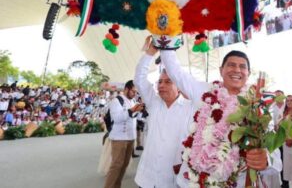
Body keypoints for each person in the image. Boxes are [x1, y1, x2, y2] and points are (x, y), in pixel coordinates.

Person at [158, 39, 268, 187]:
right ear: (221, 70)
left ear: (248, 73)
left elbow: (269, 146)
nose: (237, 70)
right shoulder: (205, 92)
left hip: (234, 182)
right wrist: (165, 37)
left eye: (242, 67)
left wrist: (265, 159)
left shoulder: (255, 104)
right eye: (231, 65)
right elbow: (175, 72)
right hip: (192, 181)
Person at [134, 46, 195, 188]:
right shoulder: (153, 102)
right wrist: (150, 53)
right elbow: (139, 79)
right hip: (146, 179)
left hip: (173, 181)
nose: (162, 85)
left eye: (168, 82)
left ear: (179, 86)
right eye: (160, 81)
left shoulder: (190, 108)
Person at [104, 80, 143, 188]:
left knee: (124, 165)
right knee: (116, 166)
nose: (135, 94)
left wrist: (140, 110)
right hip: (119, 138)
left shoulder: (133, 101)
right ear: (126, 89)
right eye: (133, 91)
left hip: (131, 138)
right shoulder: (116, 101)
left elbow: (134, 118)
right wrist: (131, 110)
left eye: (136, 92)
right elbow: (117, 118)